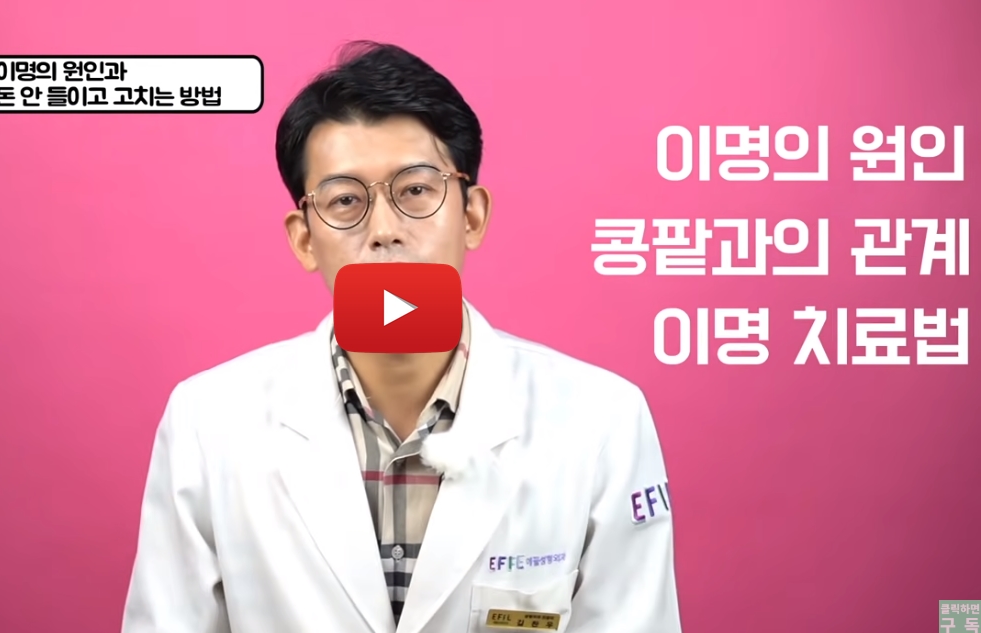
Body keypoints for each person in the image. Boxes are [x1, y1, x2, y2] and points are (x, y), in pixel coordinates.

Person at [121, 41, 681, 633]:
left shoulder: (602, 421)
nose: (385, 230)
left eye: (415, 190)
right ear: (304, 239)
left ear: (471, 215)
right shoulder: (208, 423)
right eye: (345, 201)